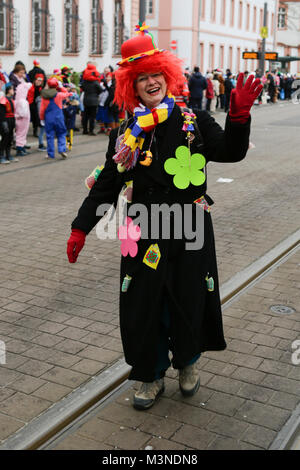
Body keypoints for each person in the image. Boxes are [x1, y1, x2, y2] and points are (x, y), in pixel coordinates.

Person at [66, 26, 262, 410]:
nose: (151, 82)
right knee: (143, 304)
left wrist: (238, 118)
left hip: (189, 226)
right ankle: (150, 375)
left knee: (188, 300)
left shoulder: (193, 120)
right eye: (141, 78)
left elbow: (230, 152)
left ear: (167, 76)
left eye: (155, 74)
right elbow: (108, 181)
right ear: (131, 87)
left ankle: (187, 363)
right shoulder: (126, 133)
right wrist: (80, 227)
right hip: (142, 227)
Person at [40, 77, 71, 159]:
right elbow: (68, 94)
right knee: (61, 133)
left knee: (49, 136)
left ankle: (50, 154)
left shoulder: (44, 96)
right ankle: (62, 149)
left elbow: (42, 109)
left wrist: (42, 118)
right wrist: (61, 87)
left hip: (48, 118)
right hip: (59, 117)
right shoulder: (59, 95)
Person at [81, 63, 101, 135]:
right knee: (92, 117)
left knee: (85, 116)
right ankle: (91, 131)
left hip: (86, 100)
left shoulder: (84, 82)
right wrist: (96, 94)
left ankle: (85, 130)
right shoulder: (95, 82)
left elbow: (82, 88)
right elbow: (100, 89)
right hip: (94, 100)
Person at [0, 83, 18, 164]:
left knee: (10, 138)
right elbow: (2, 113)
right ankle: (1, 156)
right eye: (12, 89)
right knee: (4, 139)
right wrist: (4, 123)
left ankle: (8, 155)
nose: (13, 90)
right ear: (8, 90)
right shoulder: (3, 100)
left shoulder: (11, 99)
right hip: (6, 120)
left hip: (11, 120)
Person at [15, 82, 32, 157]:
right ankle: (20, 149)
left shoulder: (17, 100)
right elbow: (23, 113)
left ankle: (21, 148)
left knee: (20, 133)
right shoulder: (23, 101)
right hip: (23, 120)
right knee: (22, 134)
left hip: (19, 120)